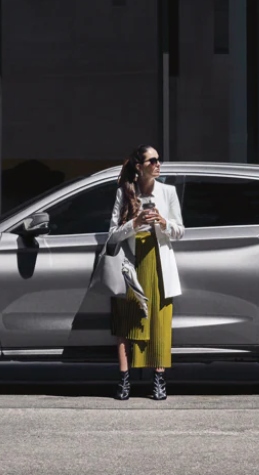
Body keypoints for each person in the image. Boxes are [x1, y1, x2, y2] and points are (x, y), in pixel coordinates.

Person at [107, 144, 185, 400]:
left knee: (159, 323)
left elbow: (180, 232)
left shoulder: (168, 192)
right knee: (126, 323)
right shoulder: (124, 192)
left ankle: (159, 380)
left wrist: (164, 222)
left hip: (159, 264)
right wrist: (135, 223)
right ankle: (123, 380)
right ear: (140, 167)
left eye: (158, 160)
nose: (158, 164)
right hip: (130, 265)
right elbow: (112, 235)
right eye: (152, 161)